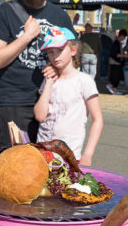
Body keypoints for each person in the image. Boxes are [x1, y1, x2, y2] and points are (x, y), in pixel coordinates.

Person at [0, 0, 75, 160]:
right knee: (12, 172)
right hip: (15, 106)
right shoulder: (4, 13)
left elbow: (73, 58)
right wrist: (26, 37)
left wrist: (58, 69)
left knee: (54, 172)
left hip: (54, 105)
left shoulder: (60, 16)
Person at [34, 27, 103, 166]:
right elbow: (40, 116)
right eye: (50, 52)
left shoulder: (84, 81)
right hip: (43, 154)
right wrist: (48, 83)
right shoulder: (48, 80)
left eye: (60, 50)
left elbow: (98, 120)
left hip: (70, 156)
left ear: (73, 50)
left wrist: (88, 154)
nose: (55, 56)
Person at [107, 29, 128, 95]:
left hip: (115, 61)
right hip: (115, 61)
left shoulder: (118, 43)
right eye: (124, 37)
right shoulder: (116, 43)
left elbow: (118, 52)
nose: (124, 38)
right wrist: (125, 56)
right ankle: (111, 86)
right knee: (116, 76)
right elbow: (116, 54)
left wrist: (125, 49)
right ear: (121, 36)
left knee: (116, 76)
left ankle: (114, 90)